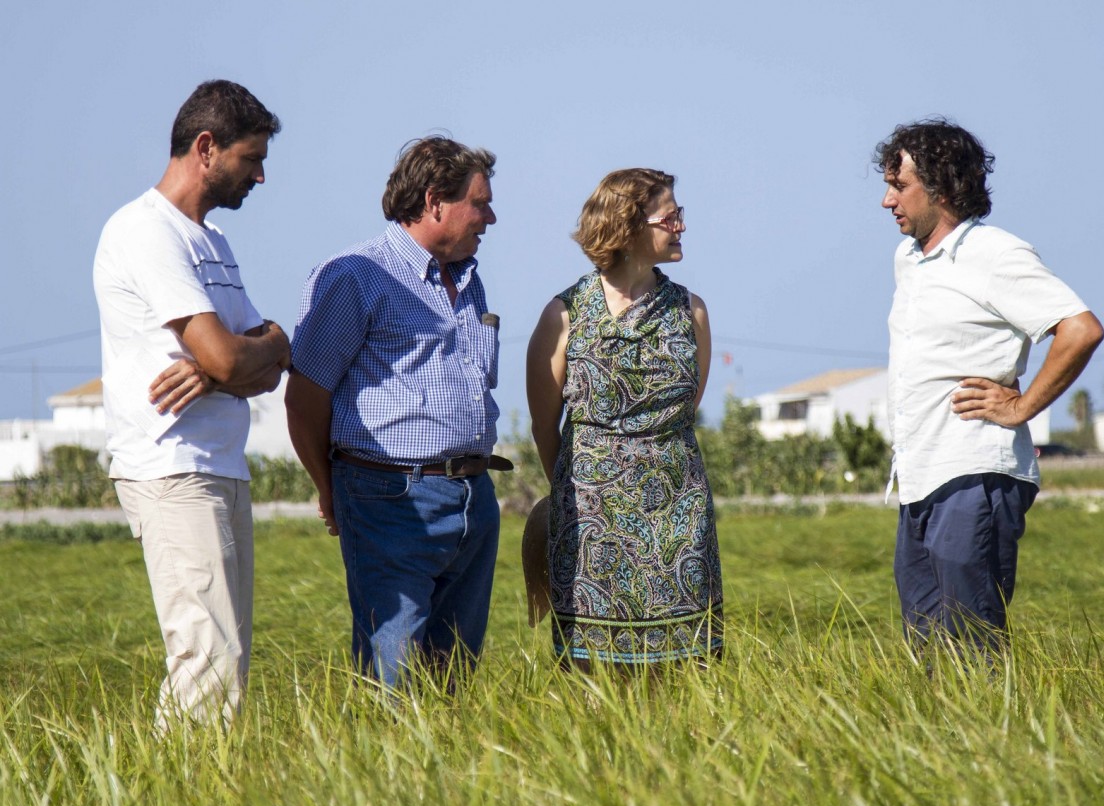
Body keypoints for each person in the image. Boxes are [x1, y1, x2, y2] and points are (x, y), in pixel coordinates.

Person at [93, 79, 290, 729]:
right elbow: (239, 357)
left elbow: (271, 354)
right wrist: (233, 360)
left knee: (226, 662)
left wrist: (216, 371)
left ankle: (202, 789)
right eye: (251, 159)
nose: (260, 178)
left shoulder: (213, 244)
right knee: (206, 659)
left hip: (221, 467)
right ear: (206, 147)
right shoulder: (146, 233)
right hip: (173, 468)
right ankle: (180, 795)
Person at [874, 118, 1104, 654]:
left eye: (899, 185)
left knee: (972, 644)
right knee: (928, 646)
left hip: (975, 470)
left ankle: (993, 736)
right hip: (919, 477)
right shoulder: (908, 259)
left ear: (943, 186)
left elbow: (1079, 329)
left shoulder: (994, 254)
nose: (887, 201)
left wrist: (1021, 406)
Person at [286, 136, 507, 689]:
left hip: (473, 500)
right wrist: (328, 486)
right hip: (390, 497)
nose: (491, 217)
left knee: (453, 672)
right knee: (395, 674)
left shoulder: (469, 279)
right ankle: (385, 773)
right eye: (479, 203)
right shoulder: (356, 276)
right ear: (435, 201)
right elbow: (304, 396)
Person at [527, 168, 724, 670]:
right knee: (593, 676)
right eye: (671, 216)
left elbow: (687, 406)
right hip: (590, 526)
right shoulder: (564, 315)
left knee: (684, 673)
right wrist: (578, 495)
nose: (681, 225)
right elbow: (543, 425)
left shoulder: (691, 311)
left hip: (679, 518)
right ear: (629, 225)